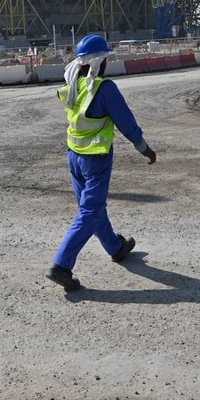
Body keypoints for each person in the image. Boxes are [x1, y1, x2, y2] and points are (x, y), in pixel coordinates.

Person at [46, 34, 157, 291]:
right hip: (95, 158)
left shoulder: (72, 85)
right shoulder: (104, 88)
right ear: (100, 62)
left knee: (93, 208)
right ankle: (61, 266)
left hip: (74, 155)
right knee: (90, 211)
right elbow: (126, 123)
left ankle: (116, 247)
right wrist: (145, 149)